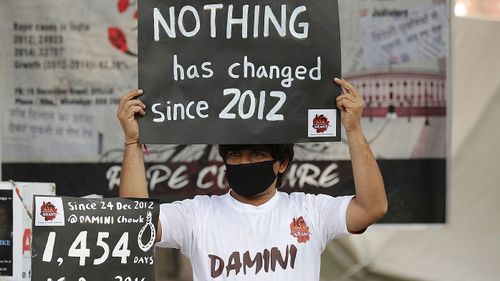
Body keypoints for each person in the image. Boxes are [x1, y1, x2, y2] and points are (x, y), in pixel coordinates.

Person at [117, 78, 387, 280]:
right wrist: (132, 142)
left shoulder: (310, 210)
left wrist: (353, 129)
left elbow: (371, 208)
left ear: (281, 164)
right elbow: (135, 221)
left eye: (257, 153)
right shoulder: (198, 214)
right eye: (235, 155)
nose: (244, 162)